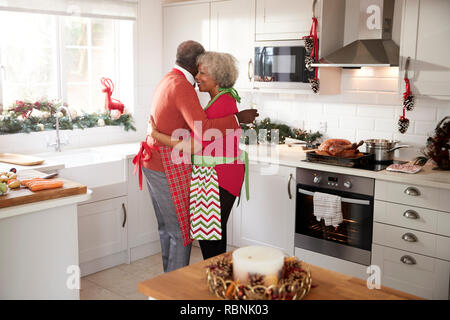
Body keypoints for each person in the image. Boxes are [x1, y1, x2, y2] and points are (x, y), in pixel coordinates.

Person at [133, 41, 258, 272]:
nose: (199, 76)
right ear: (194, 64)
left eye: (204, 72)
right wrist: (238, 119)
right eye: (199, 70)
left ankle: (194, 288)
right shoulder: (186, 87)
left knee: (199, 237)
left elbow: (198, 139)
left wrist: (157, 135)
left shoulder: (171, 79)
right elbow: (203, 131)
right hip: (192, 170)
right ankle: (176, 288)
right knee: (191, 234)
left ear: (217, 77)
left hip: (217, 175)